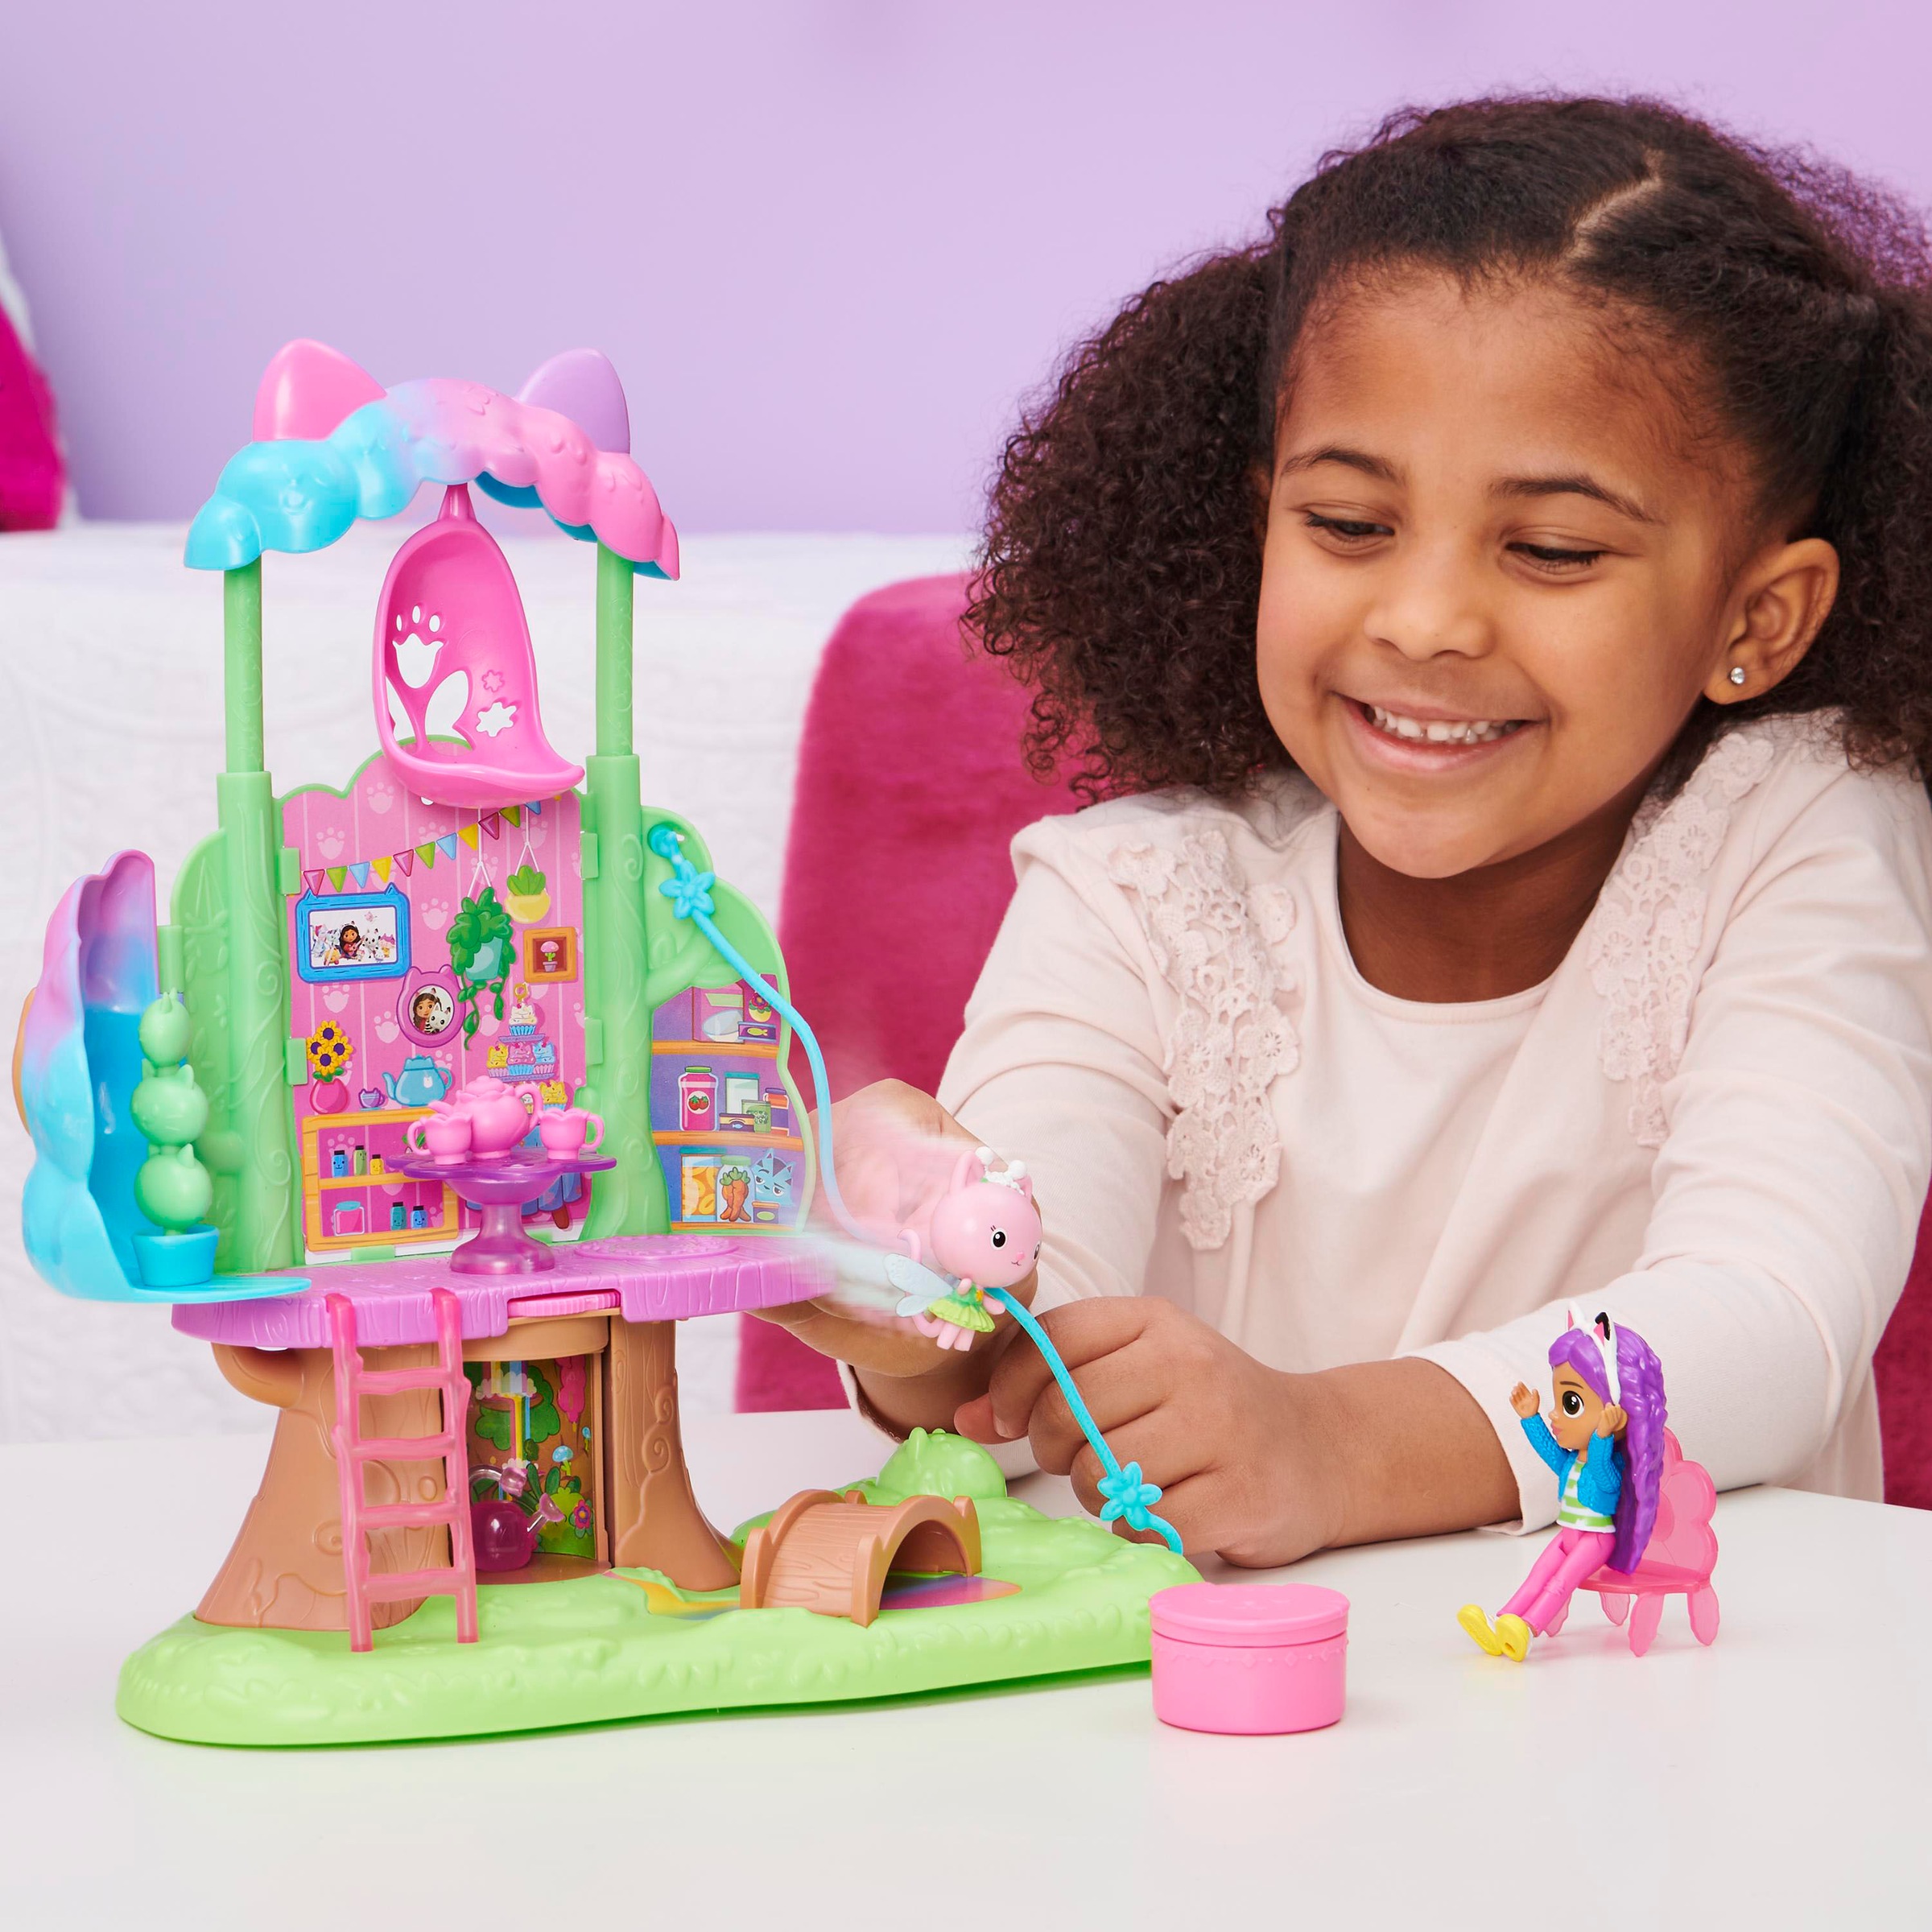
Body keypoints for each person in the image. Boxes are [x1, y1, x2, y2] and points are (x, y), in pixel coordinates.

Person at [757, 96, 1932, 1566]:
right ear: (1258, 527)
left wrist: (1330, 1443)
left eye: (1552, 549)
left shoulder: (1799, 837)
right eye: (1350, 527)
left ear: (1758, 617)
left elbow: (1772, 1320)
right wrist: (908, 1293)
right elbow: (1022, 1329)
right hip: (1229, 1698)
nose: (1425, 620)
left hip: (1676, 1691)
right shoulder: (1133, 893)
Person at [1459, 1311, 1666, 1659]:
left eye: (1571, 1404)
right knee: (1536, 1577)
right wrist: (1531, 1418)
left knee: (1559, 1583)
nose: (1556, 1414)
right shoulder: (1570, 1463)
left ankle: (1527, 1629)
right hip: (1569, 1534)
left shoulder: (1608, 1465)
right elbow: (1550, 1453)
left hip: (1595, 1539)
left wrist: (1602, 1438)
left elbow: (1603, 1474)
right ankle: (1502, 1622)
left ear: (1616, 1413)